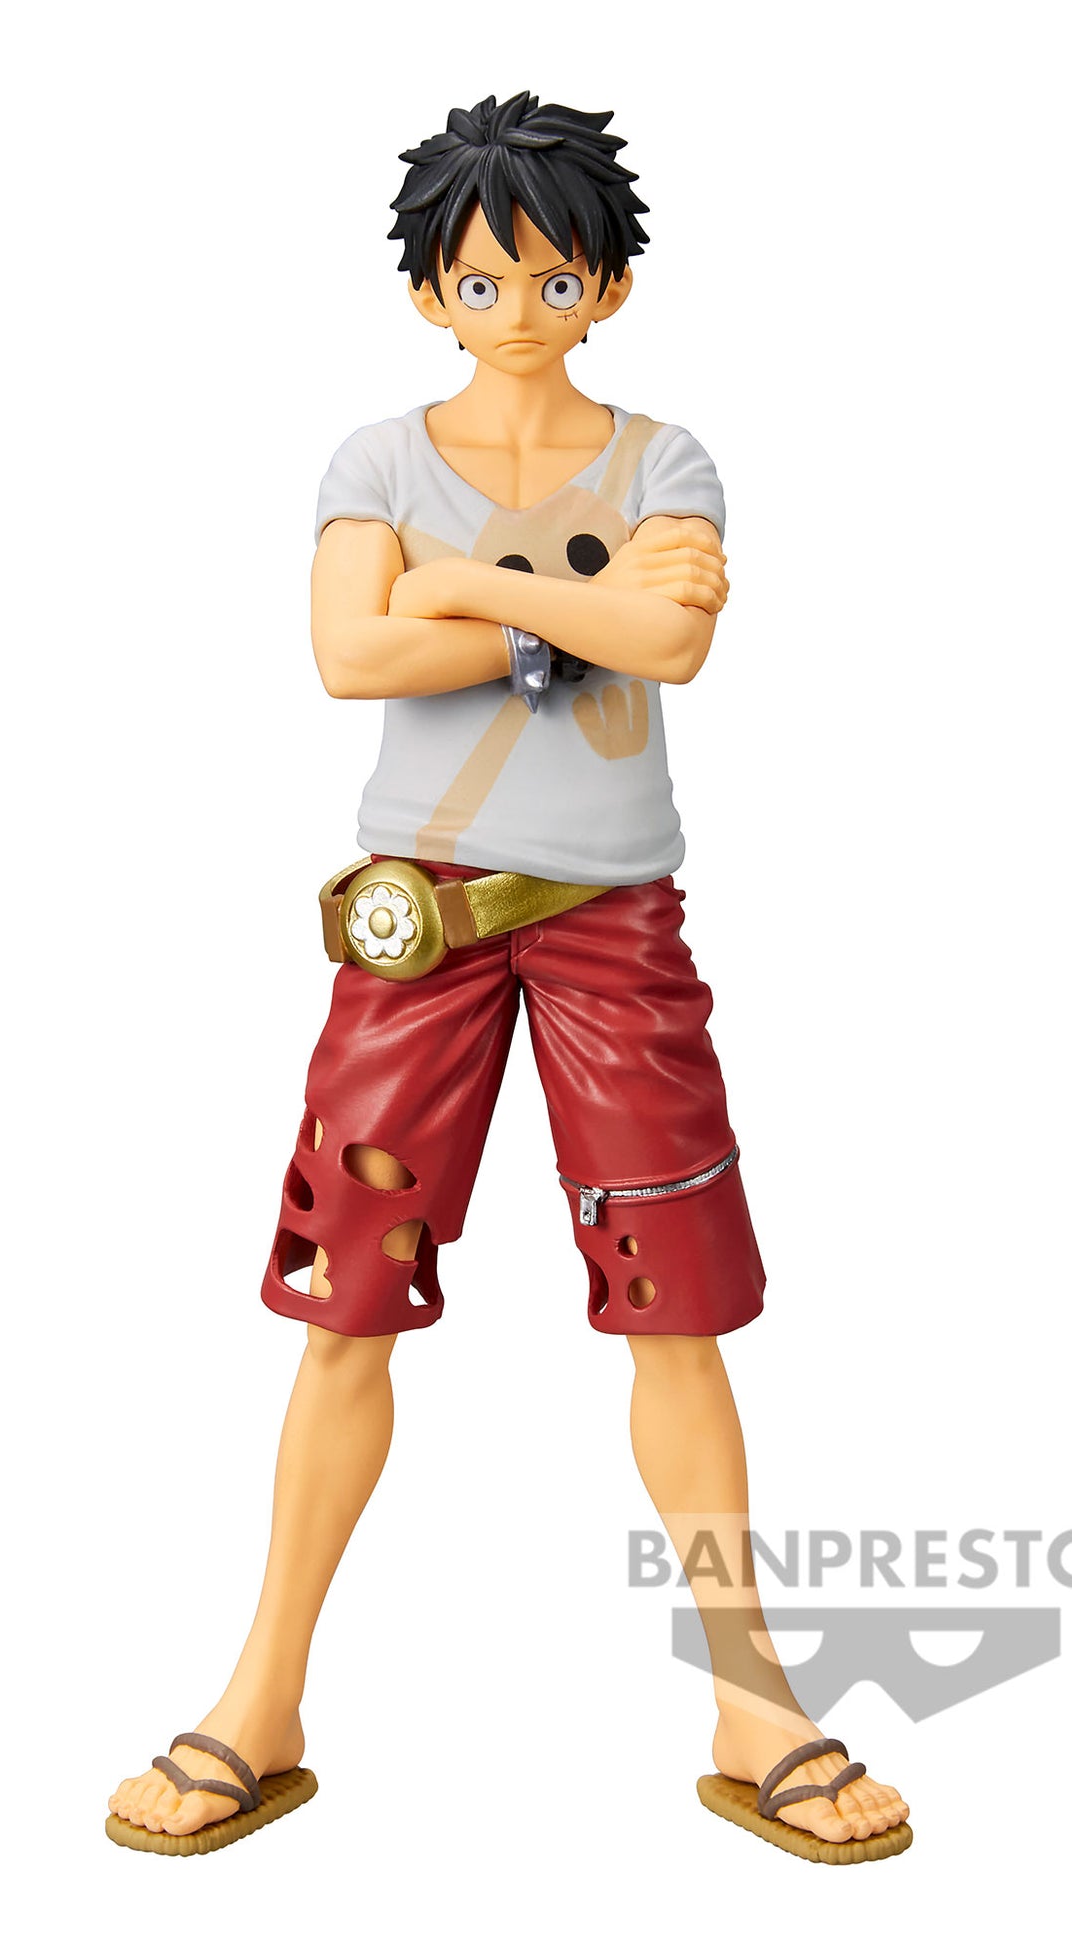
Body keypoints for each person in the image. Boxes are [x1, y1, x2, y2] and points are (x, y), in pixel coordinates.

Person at [106, 92, 912, 1865]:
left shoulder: (665, 459)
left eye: (554, 277)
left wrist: (463, 589)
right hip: (420, 927)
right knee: (344, 1302)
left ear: (608, 286)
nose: (518, 308)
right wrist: (565, 603)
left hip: (616, 920)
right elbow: (346, 652)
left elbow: (675, 640)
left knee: (677, 1299)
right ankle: (263, 1691)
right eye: (481, 281)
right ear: (427, 293)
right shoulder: (376, 459)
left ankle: (751, 1694)